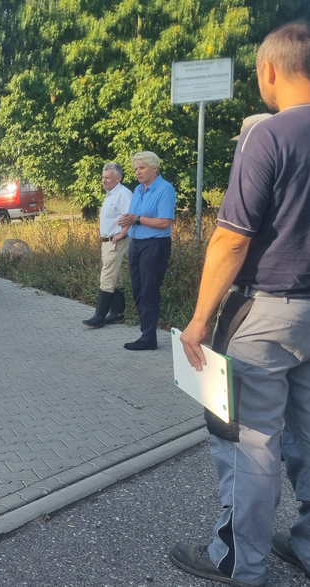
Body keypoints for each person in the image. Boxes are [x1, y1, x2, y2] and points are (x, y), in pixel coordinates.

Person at [173, 22, 310, 587]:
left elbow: (231, 237)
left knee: (251, 444)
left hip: (268, 313)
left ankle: (242, 564)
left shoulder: (270, 134)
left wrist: (200, 320)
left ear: (269, 71)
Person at [116, 151, 176, 350]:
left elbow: (165, 221)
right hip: (137, 243)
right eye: (135, 169)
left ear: (154, 168)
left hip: (155, 245)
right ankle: (145, 332)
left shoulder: (165, 189)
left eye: (141, 168)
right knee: (138, 290)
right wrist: (123, 229)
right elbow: (132, 216)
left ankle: (149, 338)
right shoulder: (139, 190)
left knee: (149, 291)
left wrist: (137, 220)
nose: (137, 172)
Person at [82, 162, 132, 328]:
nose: (104, 180)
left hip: (116, 241)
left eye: (108, 178)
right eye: (103, 177)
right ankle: (117, 313)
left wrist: (122, 233)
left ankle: (99, 316)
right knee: (115, 277)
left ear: (118, 178)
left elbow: (132, 217)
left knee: (107, 277)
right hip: (108, 241)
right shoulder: (111, 193)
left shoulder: (123, 194)